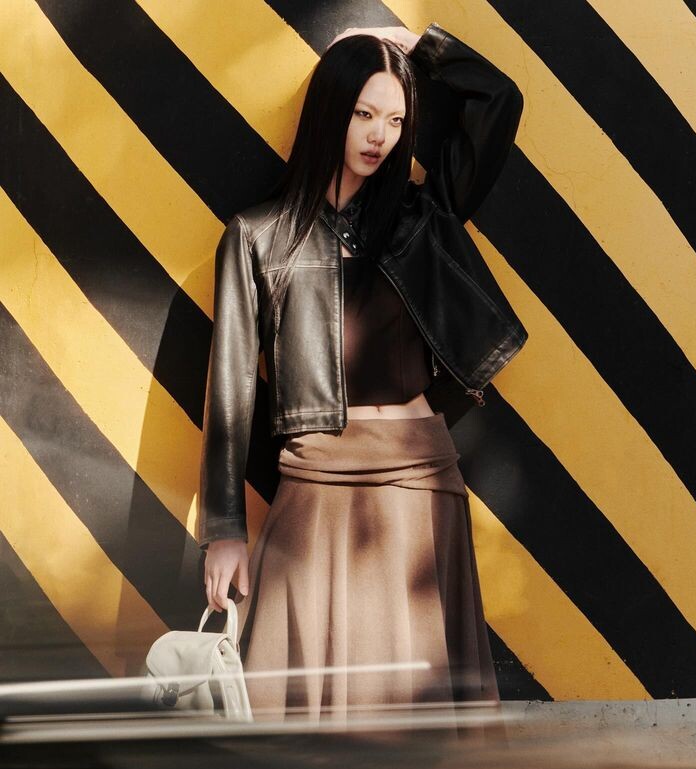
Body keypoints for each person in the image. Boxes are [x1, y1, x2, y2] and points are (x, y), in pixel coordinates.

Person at [197, 23, 527, 723]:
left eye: (396, 121)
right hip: (318, 482)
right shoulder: (257, 237)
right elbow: (230, 391)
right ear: (330, 112)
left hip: (420, 481)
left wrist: (419, 45)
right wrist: (224, 529)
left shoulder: (422, 218)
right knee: (304, 718)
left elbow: (499, 101)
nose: (380, 135)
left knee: (420, 714)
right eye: (364, 113)